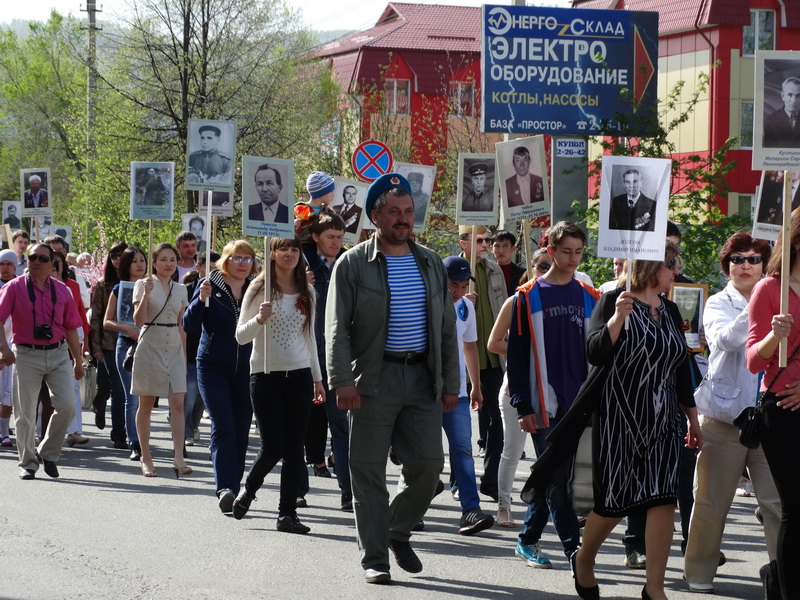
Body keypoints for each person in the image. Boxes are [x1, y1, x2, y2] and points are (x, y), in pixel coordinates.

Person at [326, 172, 460, 584]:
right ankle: (375, 558)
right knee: (366, 471)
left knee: (428, 465)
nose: (404, 219)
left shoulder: (431, 262)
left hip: (422, 378)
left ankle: (396, 531)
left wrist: (451, 383)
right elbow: (337, 329)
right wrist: (341, 380)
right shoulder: (352, 264)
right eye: (394, 212)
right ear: (376, 216)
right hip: (372, 379)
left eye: (408, 212)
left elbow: (445, 329)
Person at [566, 242, 701, 600]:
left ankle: (654, 589)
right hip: (620, 416)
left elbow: (681, 368)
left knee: (662, 499)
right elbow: (594, 352)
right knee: (614, 502)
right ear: (651, 265)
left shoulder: (670, 309)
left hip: (664, 417)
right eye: (671, 264)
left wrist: (692, 418)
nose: (676, 271)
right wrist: (617, 319)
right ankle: (585, 558)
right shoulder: (613, 301)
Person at [683, 232, 779, 594]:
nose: (745, 266)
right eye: (737, 259)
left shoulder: (778, 298)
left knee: (775, 503)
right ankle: (699, 573)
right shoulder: (718, 303)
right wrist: (759, 308)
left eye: (754, 259)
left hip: (771, 417)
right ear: (727, 265)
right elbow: (725, 340)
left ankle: (781, 573)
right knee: (710, 501)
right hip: (725, 418)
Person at [506, 222, 600, 568]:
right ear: (550, 251)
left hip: (581, 403)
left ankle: (527, 539)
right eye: (566, 251)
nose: (572, 258)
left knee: (555, 475)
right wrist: (523, 404)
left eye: (578, 251)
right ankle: (574, 549)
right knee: (558, 476)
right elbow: (516, 357)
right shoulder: (527, 296)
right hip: (544, 402)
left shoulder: (591, 298)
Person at [232, 236, 325, 533]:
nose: (289, 254)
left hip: (298, 376)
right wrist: (259, 319)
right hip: (265, 375)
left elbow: (310, 338)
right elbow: (240, 336)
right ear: (272, 254)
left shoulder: (307, 291)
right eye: (283, 248)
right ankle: (249, 490)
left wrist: (317, 378)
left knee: (295, 448)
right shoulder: (259, 289)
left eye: (294, 249)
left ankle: (287, 514)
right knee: (273, 446)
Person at [745, 207, 800, 597]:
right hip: (781, 412)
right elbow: (753, 361)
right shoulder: (770, 289)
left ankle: (777, 580)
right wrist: (773, 337)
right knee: (795, 510)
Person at [0, 243, 84, 480]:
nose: (36, 261)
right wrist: (5, 349)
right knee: (25, 413)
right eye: (32, 257)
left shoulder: (62, 290)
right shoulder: (14, 288)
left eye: (42, 258)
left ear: (52, 264)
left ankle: (47, 451)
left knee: (67, 407)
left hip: (58, 354)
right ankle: (27, 463)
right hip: (26, 354)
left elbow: (70, 328)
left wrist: (77, 361)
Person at [183, 240, 256, 513]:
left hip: (248, 368)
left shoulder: (257, 287)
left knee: (241, 429)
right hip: (212, 365)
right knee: (223, 424)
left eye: (247, 259)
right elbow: (188, 324)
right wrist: (201, 300)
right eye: (237, 258)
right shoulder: (208, 285)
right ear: (226, 259)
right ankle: (225, 486)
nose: (242, 264)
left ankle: (234, 489)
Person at [489, 247, 548, 529]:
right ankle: (504, 507)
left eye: (551, 266)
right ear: (532, 269)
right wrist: (524, 352)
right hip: (516, 389)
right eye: (541, 267)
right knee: (512, 451)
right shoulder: (516, 302)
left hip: (550, 391)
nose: (546, 272)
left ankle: (546, 508)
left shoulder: (559, 300)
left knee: (550, 455)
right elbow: (493, 343)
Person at [299, 211, 353, 511]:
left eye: (340, 237)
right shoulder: (301, 262)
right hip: (304, 354)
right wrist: (300, 282)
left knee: (341, 424)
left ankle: (347, 489)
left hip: (338, 356)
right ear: (316, 237)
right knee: (300, 422)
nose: (336, 243)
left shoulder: (350, 263)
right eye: (330, 237)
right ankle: (297, 488)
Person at [441, 255, 494, 535]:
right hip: (425, 392)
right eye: (453, 284)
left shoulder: (466, 309)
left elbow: (471, 346)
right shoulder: (427, 304)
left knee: (463, 450)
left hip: (458, 392)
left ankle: (470, 510)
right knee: (425, 458)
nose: (459, 290)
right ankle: (409, 508)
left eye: (463, 285)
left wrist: (475, 384)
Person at [130, 243, 190, 478]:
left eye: (172, 259)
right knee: (146, 404)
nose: (168, 264)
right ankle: (145, 456)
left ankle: (178, 457)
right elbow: (138, 321)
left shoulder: (181, 289)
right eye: (163, 259)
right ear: (154, 262)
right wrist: (145, 294)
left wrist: (184, 358)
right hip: (150, 342)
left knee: (177, 403)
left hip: (174, 345)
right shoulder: (142, 284)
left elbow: (181, 325)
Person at [458, 225, 506, 503]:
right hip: (464, 358)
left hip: (493, 356)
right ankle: (458, 480)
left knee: (497, 419)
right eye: (479, 239)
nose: (486, 244)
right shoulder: (451, 269)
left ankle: (490, 479)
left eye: (487, 239)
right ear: (463, 242)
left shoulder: (493, 269)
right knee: (460, 423)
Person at [103, 246, 148, 461]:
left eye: (142, 260)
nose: (139, 264)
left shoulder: (154, 286)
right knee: (133, 398)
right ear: (126, 264)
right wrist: (128, 328)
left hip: (151, 346)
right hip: (127, 346)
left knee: (147, 397)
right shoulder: (119, 289)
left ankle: (145, 440)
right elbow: (107, 322)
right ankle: (135, 443)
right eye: (134, 261)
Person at [89, 242, 127, 446]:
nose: (117, 258)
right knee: (112, 387)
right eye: (113, 255)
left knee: (124, 388)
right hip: (109, 342)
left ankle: (122, 430)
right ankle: (118, 431)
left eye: (121, 254)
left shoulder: (139, 281)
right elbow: (95, 317)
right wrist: (95, 347)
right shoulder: (103, 284)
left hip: (134, 340)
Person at [0, 249, 17, 447]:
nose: (5, 268)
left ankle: (4, 432)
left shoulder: (18, 286)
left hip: (12, 344)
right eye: (2, 264)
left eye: (9, 264)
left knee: (7, 390)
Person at [763, 76, 800, 148]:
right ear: (783, 96)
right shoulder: (770, 120)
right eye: (790, 95)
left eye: (798, 96)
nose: (793, 100)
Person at [491, 230, 527, 296]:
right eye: (497, 246)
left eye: (505, 246)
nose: (501, 251)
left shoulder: (523, 274)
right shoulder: (487, 271)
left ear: (513, 248)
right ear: (491, 249)